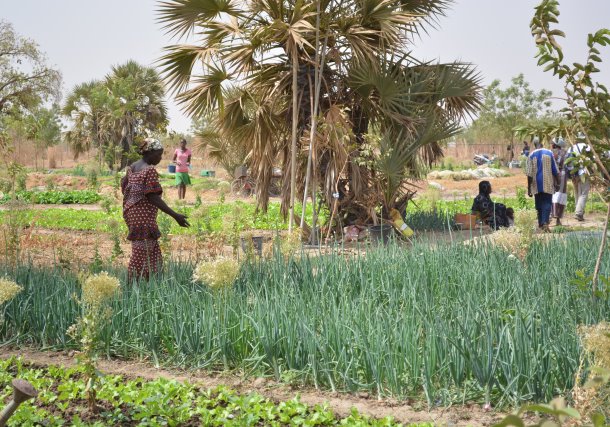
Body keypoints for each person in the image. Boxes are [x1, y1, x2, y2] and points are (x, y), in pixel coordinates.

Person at [122, 137, 190, 281]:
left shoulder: (132, 167)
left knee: (153, 253)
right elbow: (153, 197)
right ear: (149, 152)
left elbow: (124, 187)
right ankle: (131, 286)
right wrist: (175, 215)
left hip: (132, 213)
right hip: (142, 217)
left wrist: (134, 203)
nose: (160, 158)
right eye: (158, 154)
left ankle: (154, 283)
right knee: (141, 253)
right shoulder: (149, 170)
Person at [525, 137, 559, 232]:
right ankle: (545, 223)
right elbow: (555, 170)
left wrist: (529, 188)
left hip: (536, 184)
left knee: (539, 204)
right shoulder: (549, 153)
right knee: (547, 203)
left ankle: (541, 223)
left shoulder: (531, 155)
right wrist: (558, 183)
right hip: (548, 182)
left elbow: (529, 174)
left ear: (534, 144)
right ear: (542, 143)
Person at [566, 133, 591, 222]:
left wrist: (571, 175)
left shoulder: (571, 148)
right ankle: (578, 213)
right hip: (584, 172)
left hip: (574, 174)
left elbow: (568, 162)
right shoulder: (587, 147)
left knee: (578, 193)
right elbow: (592, 159)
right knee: (584, 193)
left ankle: (578, 213)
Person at [551, 137, 568, 225]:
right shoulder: (565, 153)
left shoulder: (551, 153)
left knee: (553, 194)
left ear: (555, 144)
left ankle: (552, 215)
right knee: (561, 196)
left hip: (553, 175)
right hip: (562, 175)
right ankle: (558, 219)